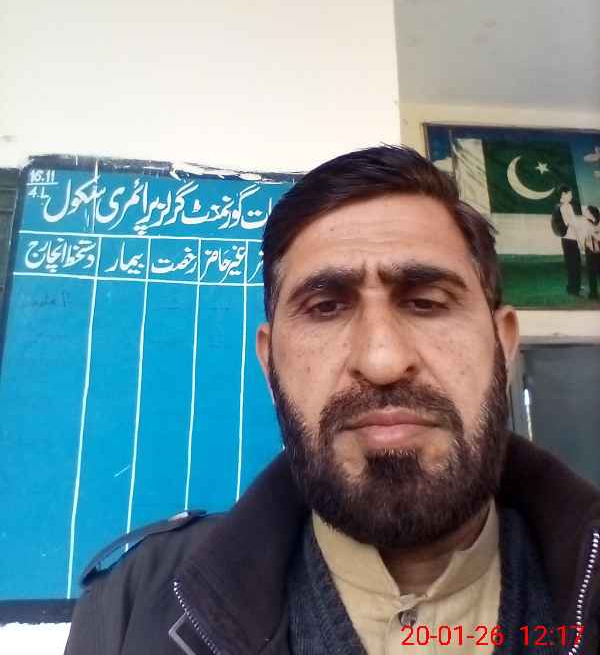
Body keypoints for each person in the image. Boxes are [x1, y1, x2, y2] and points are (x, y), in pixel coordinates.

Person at [65, 146, 600, 655]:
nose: (382, 360)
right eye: (325, 307)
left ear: (503, 344)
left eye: (426, 301)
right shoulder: (132, 608)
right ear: (271, 363)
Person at [557, 185, 583, 296]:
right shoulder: (565, 207)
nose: (571, 196)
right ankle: (574, 288)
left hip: (568, 239)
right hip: (570, 240)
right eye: (569, 194)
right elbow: (572, 225)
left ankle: (573, 286)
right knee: (574, 264)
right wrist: (579, 240)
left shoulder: (565, 206)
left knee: (573, 264)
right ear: (564, 194)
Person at [583, 205, 600, 300]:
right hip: (589, 250)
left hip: (598, 250)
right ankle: (593, 293)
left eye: (587, 211)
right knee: (591, 272)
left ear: (592, 213)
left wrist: (593, 232)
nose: (585, 213)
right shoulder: (586, 222)